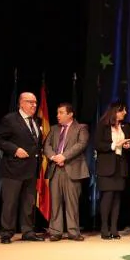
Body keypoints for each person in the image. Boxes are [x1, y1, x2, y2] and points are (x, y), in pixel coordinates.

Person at [0, 92, 44, 244]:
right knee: (10, 202)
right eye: (30, 102)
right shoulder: (10, 119)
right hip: (13, 169)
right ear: (21, 103)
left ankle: (27, 231)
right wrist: (15, 149)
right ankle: (6, 233)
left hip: (30, 170)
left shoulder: (35, 121)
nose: (34, 105)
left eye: (35, 102)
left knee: (28, 203)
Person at [43, 102, 90, 241]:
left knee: (72, 202)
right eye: (57, 113)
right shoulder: (54, 129)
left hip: (72, 169)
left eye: (61, 113)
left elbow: (81, 145)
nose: (58, 116)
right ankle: (55, 231)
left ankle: (73, 232)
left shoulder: (81, 128)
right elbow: (47, 145)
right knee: (55, 202)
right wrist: (54, 157)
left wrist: (64, 156)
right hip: (55, 169)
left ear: (70, 114)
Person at [94, 101, 130, 240]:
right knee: (107, 197)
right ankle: (104, 229)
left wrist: (127, 145)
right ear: (115, 111)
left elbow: (128, 144)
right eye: (123, 110)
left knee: (117, 198)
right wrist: (114, 145)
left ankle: (114, 229)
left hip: (120, 166)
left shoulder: (125, 127)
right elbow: (98, 144)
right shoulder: (103, 125)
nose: (125, 113)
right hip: (107, 166)